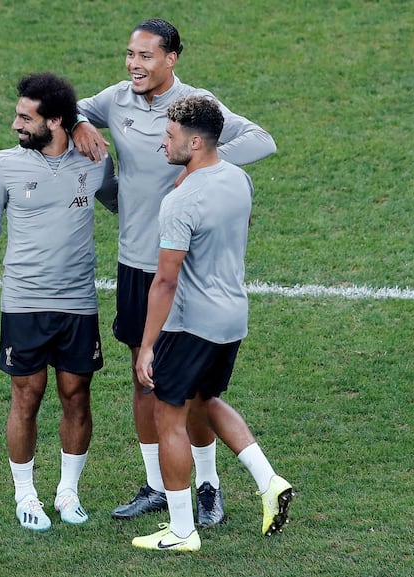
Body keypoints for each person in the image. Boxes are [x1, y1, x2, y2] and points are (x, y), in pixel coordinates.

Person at [73, 18, 284, 531]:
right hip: (134, 262)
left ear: (172, 59)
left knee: (188, 392)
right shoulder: (116, 100)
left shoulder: (196, 105)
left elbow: (262, 139)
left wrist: (203, 164)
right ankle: (157, 485)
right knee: (143, 379)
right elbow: (67, 110)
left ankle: (207, 487)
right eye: (129, 54)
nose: (134, 65)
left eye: (146, 56)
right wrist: (80, 122)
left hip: (180, 272)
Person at [130, 95, 294, 551]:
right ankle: (269, 481)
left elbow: (164, 281)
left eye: (170, 135)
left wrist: (147, 346)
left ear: (196, 141)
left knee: (170, 418)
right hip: (231, 317)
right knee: (206, 400)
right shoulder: (238, 179)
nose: (163, 142)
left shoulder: (180, 200)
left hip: (190, 323)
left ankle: (182, 530)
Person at [0, 72, 117, 532]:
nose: (15, 124)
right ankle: (25, 493)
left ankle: (68, 491)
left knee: (77, 395)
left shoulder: (94, 162)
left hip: (78, 303)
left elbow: (125, 204)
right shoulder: (4, 165)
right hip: (24, 302)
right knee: (26, 396)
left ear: (55, 120)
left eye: (24, 117)